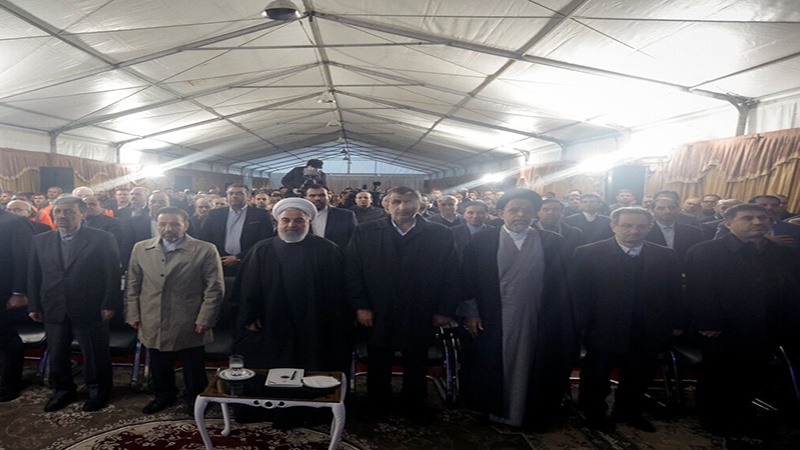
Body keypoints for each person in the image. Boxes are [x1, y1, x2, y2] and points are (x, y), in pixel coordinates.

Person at [460, 189, 575, 430]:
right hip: (491, 317)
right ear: (501, 213)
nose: (521, 215)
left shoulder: (553, 242)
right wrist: (471, 311)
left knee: (534, 364)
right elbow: (467, 280)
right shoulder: (482, 241)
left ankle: (527, 412)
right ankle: (490, 410)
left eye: (527, 210)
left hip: (537, 317)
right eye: (514, 210)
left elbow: (562, 286)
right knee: (489, 364)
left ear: (535, 214)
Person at [346, 187, 460, 421]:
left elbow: (452, 273)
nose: (403, 207)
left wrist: (445, 309)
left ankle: (414, 403)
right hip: (378, 308)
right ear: (386, 204)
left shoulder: (440, 233)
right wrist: (361, 305)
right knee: (379, 357)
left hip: (420, 308)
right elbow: (353, 270)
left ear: (421, 205)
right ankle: (378, 402)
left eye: (409, 202)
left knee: (416, 358)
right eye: (397, 201)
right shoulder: (365, 231)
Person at [686, 203, 800, 436]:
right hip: (723, 326)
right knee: (718, 373)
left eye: (762, 218)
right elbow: (700, 290)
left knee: (754, 372)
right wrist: (708, 320)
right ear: (728, 223)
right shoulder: (706, 251)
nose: (757, 222)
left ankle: (742, 410)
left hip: (768, 324)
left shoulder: (783, 252)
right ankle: (713, 417)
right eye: (748, 218)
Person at [572, 207, 683, 433]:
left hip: (648, 327)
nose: (634, 230)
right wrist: (580, 325)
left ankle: (628, 412)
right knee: (597, 375)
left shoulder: (666, 255)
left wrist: (675, 324)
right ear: (613, 226)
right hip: (603, 326)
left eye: (641, 226)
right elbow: (578, 293)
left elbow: (674, 293)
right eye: (627, 225)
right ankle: (594, 414)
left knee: (639, 374)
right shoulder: (588, 253)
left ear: (649, 227)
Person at [126, 207, 224, 415]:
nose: (168, 229)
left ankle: (196, 398)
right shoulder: (141, 248)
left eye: (174, 224)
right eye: (163, 224)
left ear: (185, 225)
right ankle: (164, 395)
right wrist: (133, 313)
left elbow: (214, 288)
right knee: (158, 362)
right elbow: (133, 284)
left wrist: (205, 318)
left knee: (192, 363)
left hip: (189, 317)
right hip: (152, 315)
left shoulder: (205, 249)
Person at [28, 197, 122, 412]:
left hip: (90, 305)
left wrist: (109, 303)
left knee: (94, 353)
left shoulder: (102, 238)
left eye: (69, 211)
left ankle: (98, 390)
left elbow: (112, 273)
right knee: (57, 352)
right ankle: (63, 390)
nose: (62, 216)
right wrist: (34, 304)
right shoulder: (40, 240)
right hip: (53, 305)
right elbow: (33, 274)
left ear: (82, 214)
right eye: (58, 211)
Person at [235, 198, 350, 373]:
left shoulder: (328, 250)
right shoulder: (261, 250)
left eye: (299, 220)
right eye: (286, 220)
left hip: (315, 321)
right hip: (272, 319)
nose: (291, 225)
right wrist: (250, 316)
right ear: (277, 222)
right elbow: (248, 287)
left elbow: (340, 291)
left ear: (309, 222)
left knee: (314, 365)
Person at [0, 192, 34, 403]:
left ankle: (10, 384)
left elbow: (24, 259)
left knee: (6, 340)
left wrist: (19, 292)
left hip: (4, 292)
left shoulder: (15, 222)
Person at [199, 184, 274, 277]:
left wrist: (239, 257)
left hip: (249, 262)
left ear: (248, 197)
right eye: (231, 193)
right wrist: (217, 256)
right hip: (219, 261)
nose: (234, 196)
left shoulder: (260, 215)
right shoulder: (215, 214)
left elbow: (264, 240)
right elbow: (205, 237)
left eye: (239, 193)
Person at [645, 197, 703, 269]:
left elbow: (697, 255)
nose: (667, 211)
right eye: (661, 208)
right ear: (652, 211)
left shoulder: (694, 232)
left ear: (678, 209)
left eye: (671, 208)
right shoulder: (645, 231)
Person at [304, 184, 358, 249]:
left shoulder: (346, 215)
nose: (317, 198)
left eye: (322, 195)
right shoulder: (298, 216)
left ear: (329, 197)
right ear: (305, 198)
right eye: (312, 196)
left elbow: (354, 240)